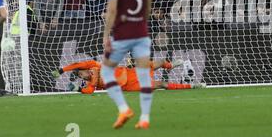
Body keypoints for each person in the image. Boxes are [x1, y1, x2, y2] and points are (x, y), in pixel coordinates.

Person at [102, 0, 153, 129]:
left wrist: (106, 34)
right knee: (143, 73)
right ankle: (145, 118)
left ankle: (124, 109)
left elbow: (112, 9)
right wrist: (141, 24)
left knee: (106, 71)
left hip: (122, 35)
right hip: (141, 32)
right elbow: (147, 8)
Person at [52, 58, 206, 94]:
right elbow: (89, 91)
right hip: (129, 85)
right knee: (161, 85)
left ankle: (171, 65)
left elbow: (79, 64)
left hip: (130, 72)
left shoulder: (95, 66)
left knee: (154, 63)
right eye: (81, 76)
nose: (83, 75)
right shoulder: (93, 84)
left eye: (81, 72)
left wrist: (61, 70)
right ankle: (193, 85)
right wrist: (78, 89)